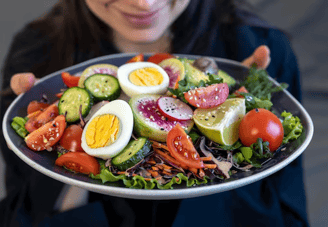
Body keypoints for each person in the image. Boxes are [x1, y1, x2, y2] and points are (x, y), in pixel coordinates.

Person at [0, 0, 309, 226]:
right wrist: (65, 145)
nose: (142, 3)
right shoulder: (36, 56)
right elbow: (22, 206)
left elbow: (288, 208)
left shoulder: (263, 47)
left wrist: (239, 104)